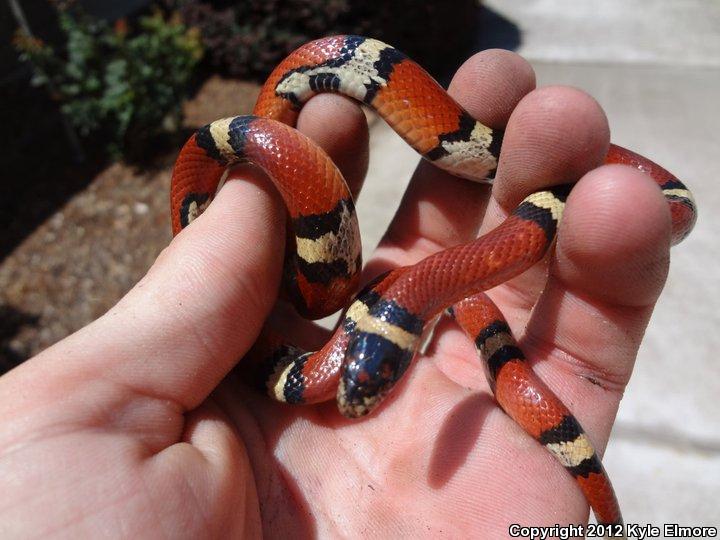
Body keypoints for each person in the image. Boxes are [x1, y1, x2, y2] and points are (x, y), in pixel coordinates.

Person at [0, 49, 673, 537]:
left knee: (613, 188)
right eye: (372, 375)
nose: (359, 393)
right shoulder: (387, 301)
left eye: (374, 376)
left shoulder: (410, 293)